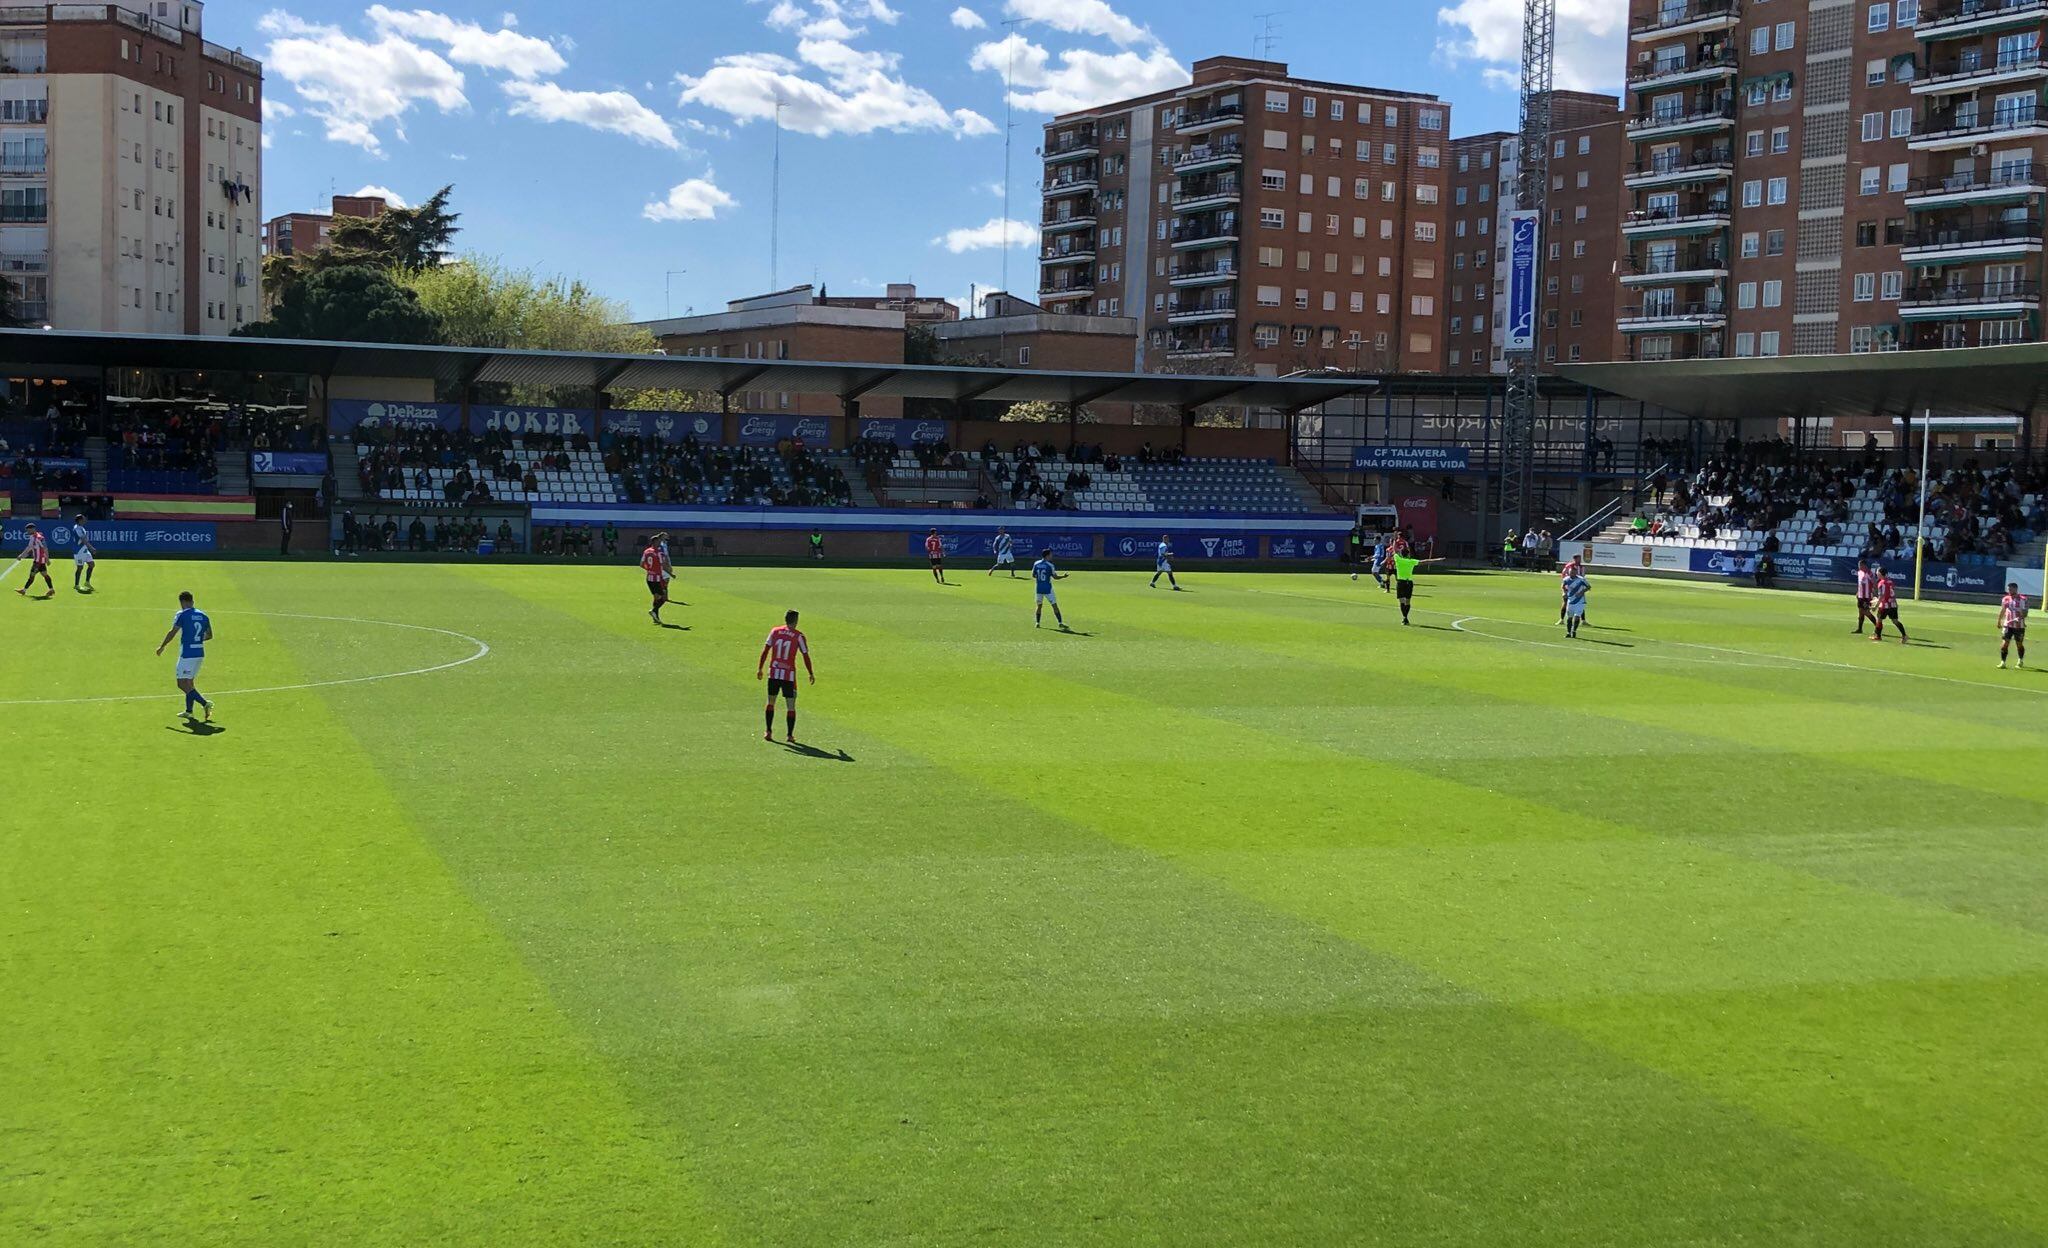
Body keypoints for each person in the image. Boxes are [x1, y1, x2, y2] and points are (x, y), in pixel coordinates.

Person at [154, 590, 214, 721]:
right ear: (192, 601)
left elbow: (172, 632)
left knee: (182, 684)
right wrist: (196, 639)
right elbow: (209, 635)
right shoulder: (203, 616)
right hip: (199, 653)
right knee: (189, 682)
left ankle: (205, 703)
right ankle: (189, 711)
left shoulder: (183, 615)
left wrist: (162, 646)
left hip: (187, 654)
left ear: (182, 602)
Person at [756, 608, 814, 743]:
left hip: (774, 673)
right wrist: (810, 672)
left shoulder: (774, 631)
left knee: (771, 702)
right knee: (791, 705)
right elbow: (805, 655)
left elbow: (765, 650)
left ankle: (768, 731)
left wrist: (760, 668)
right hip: (789, 676)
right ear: (796, 621)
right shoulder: (798, 636)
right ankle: (789, 735)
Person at [1390, 549, 1445, 625]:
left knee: (1401, 601)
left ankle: (1404, 617)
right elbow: (1425, 561)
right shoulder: (1411, 561)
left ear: (1401, 555)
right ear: (1408, 555)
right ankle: (1405, 618)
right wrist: (1438, 559)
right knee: (1408, 601)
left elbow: (1394, 551)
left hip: (1400, 582)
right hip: (1409, 582)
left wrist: (1395, 543)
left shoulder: (1398, 560)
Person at [1032, 547, 1069, 630]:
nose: (1052, 556)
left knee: (1039, 606)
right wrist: (1063, 576)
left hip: (1038, 588)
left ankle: (1037, 623)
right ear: (1047, 556)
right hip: (1048, 588)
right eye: (1051, 554)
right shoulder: (1050, 565)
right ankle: (1060, 623)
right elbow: (1055, 577)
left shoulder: (1036, 563)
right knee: (1054, 606)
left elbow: (1033, 575)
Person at [14, 522, 53, 597]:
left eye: (28, 530)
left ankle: (24, 590)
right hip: (39, 561)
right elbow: (29, 547)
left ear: (33, 529)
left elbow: (45, 548)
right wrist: (22, 555)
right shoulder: (32, 537)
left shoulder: (39, 538)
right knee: (44, 574)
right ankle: (51, 589)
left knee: (32, 575)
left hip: (38, 561)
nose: (27, 532)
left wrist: (47, 559)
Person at [1870, 567, 1908, 644]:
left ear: (1880, 573)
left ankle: (1878, 636)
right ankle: (1904, 635)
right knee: (1895, 621)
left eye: (1877, 572)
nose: (1876, 573)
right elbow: (1890, 593)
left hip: (1885, 605)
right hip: (1893, 604)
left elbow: (1882, 596)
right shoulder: (1890, 581)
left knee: (1879, 619)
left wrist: (1875, 606)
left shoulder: (1881, 583)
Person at [641, 535, 671, 624]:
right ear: (654, 542)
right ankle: (654, 611)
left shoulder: (646, 551)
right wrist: (670, 573)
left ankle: (656, 618)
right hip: (657, 579)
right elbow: (663, 566)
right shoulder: (659, 553)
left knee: (656, 597)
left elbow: (641, 564)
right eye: (658, 542)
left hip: (649, 578)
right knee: (663, 597)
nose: (659, 543)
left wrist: (650, 570)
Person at [1999, 582, 2028, 669]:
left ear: (2015, 589)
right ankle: (2003, 662)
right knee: (2005, 643)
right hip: (2008, 625)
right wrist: (1999, 621)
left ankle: (2020, 660)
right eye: (2008, 589)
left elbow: (2025, 613)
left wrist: (2019, 618)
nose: (2009, 591)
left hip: (2019, 626)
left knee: (2019, 644)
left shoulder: (2023, 599)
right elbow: (2003, 610)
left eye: (2010, 589)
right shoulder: (2006, 599)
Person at [1562, 566, 1590, 638]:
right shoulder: (1566, 579)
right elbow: (1563, 586)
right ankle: (1568, 632)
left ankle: (1574, 631)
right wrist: (1564, 592)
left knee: (1577, 617)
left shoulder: (1581, 580)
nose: (1572, 573)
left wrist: (1581, 592)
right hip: (1570, 601)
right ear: (1569, 572)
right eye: (1571, 572)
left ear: (1576, 572)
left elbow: (1588, 587)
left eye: (1573, 572)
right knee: (1569, 618)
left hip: (1580, 601)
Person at [71, 513, 95, 593]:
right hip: (79, 551)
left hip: (84, 549)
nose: (85, 520)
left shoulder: (81, 527)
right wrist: (91, 548)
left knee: (91, 564)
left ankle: (87, 582)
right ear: (80, 520)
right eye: (83, 519)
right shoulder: (78, 528)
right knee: (80, 568)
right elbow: (83, 540)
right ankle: (76, 584)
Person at [1556, 553, 1583, 626]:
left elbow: (1582, 577)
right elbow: (1563, 574)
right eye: (1579, 558)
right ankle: (1561, 619)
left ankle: (1583, 620)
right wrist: (1567, 585)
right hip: (1569, 588)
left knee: (1580, 603)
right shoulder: (1569, 566)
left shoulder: (1581, 567)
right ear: (1575, 559)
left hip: (1578, 588)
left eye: (1580, 558)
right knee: (1565, 602)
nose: (1580, 560)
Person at [1853, 559, 1876, 634]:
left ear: (1864, 565)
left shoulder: (1869, 573)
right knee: (1860, 612)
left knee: (1866, 612)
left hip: (1866, 597)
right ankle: (1860, 629)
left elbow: (1874, 582)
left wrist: (1873, 591)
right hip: (1860, 596)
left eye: (1860, 565)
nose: (1859, 566)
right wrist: (1857, 592)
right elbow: (1860, 584)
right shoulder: (1859, 573)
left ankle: (1878, 627)